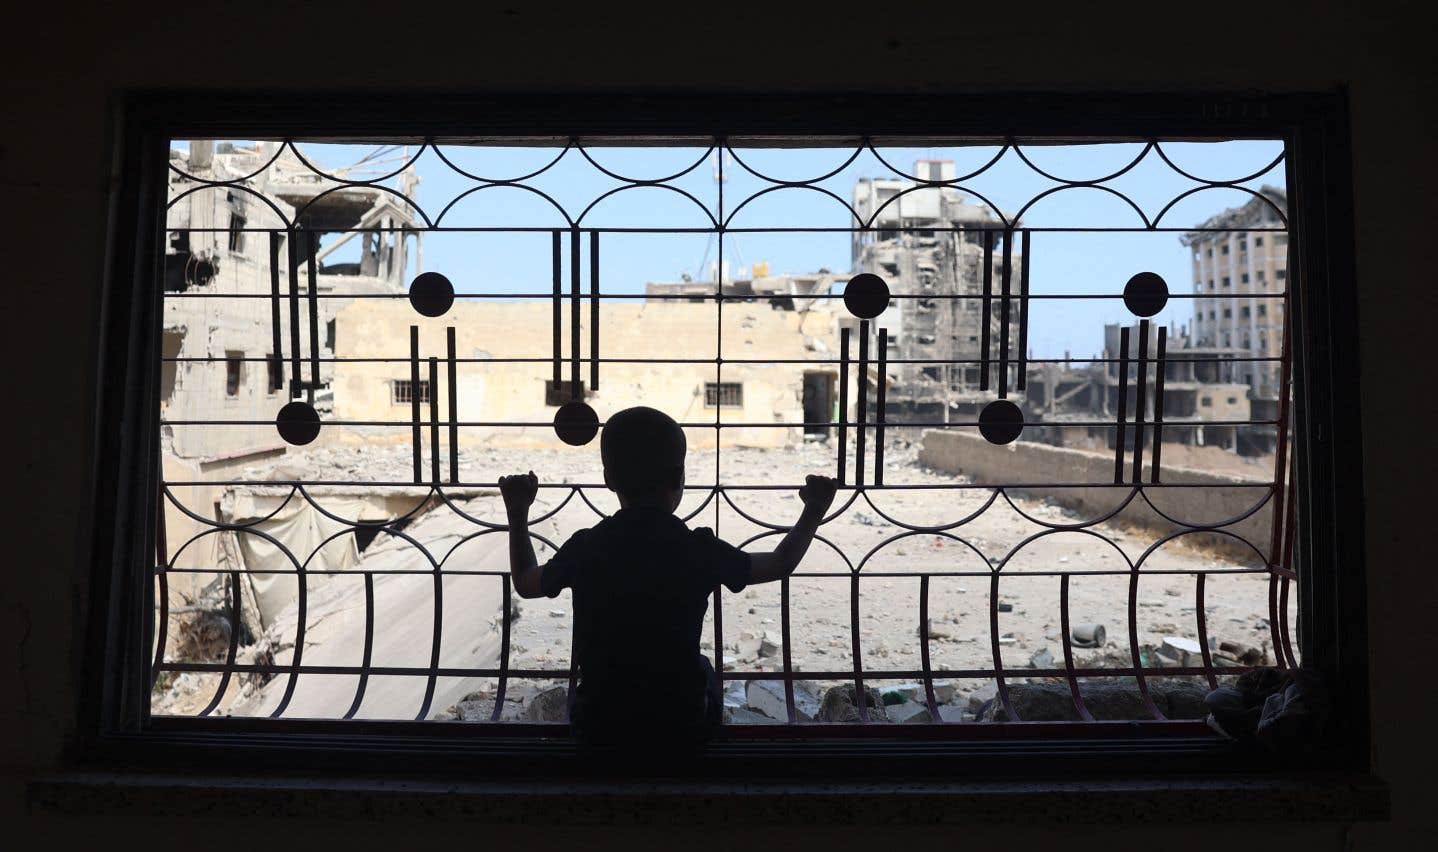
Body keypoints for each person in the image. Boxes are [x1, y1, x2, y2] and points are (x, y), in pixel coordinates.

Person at [499, 405, 838, 749]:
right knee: (702, 669)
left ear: (608, 479)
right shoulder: (697, 548)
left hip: (599, 730)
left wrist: (517, 513)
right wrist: (814, 509)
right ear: (679, 478)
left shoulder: (587, 547)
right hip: (681, 730)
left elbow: (526, 582)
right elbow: (780, 563)